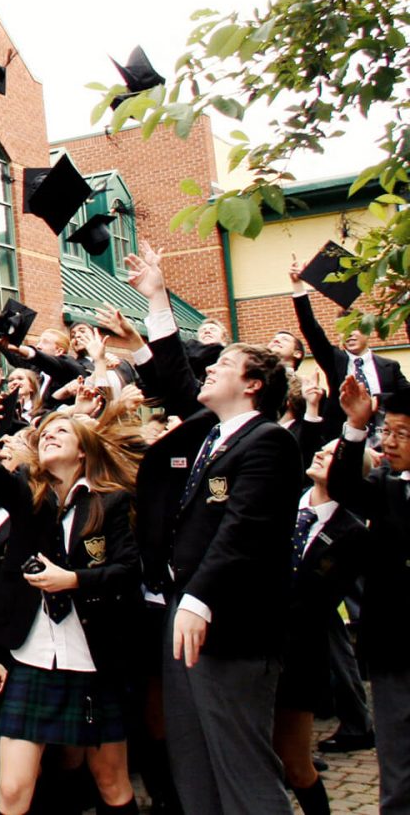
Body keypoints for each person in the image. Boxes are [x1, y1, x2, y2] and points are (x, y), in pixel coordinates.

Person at [126, 241, 297, 815]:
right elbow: (177, 380)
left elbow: (244, 528)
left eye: (222, 365)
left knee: (241, 764)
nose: (209, 369)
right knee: (192, 759)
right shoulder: (211, 431)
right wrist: (154, 298)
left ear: (252, 386)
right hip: (184, 614)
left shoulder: (268, 442)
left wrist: (198, 597)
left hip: (229, 625)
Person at [0, 385, 141, 815]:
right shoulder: (27, 493)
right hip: (31, 657)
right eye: (44, 431)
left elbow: (128, 570)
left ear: (83, 451)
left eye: (61, 430)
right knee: (11, 790)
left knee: (112, 782)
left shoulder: (111, 502)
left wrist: (73, 580)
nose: (49, 434)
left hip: (93, 658)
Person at [327, 378, 410, 813]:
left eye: (401, 433)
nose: (390, 442)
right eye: (387, 431)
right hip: (395, 645)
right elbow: (342, 488)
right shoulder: (383, 484)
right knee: (397, 756)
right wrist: (355, 426)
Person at [276, 435, 367, 815]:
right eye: (323, 448)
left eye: (331, 455)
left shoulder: (351, 531)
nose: (320, 453)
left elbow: (319, 598)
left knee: (296, 764)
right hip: (252, 651)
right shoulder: (279, 502)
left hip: (299, 659)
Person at [291, 255, 407, 436]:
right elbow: (310, 329)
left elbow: (405, 398)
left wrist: (378, 400)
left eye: (355, 328)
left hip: (384, 438)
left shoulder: (390, 367)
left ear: (367, 332)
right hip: (343, 437)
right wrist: (298, 287)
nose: (350, 334)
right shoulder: (335, 360)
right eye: (344, 329)